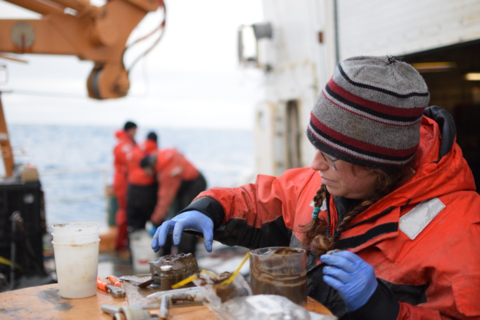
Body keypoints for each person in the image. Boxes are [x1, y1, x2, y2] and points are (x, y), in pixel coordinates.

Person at [151, 56, 480, 319]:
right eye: (316, 146)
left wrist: (383, 310)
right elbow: (261, 200)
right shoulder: (326, 181)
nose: (314, 165)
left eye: (330, 156)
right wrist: (210, 209)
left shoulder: (460, 229)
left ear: (377, 165)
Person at [141, 148, 207, 256]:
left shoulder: (167, 173)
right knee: (181, 216)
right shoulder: (161, 155)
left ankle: (186, 255)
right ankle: (184, 251)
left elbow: (164, 201)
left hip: (194, 184)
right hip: (189, 181)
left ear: (150, 167)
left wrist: (154, 220)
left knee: (186, 220)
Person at [126, 131, 159, 233]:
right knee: (149, 216)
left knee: (134, 220)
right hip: (146, 188)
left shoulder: (137, 147)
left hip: (132, 187)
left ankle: (133, 244)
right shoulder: (153, 148)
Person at [112, 121, 137, 253]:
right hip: (123, 180)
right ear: (131, 130)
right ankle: (120, 244)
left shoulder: (127, 143)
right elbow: (130, 161)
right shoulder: (124, 145)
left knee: (127, 210)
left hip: (125, 179)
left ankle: (123, 242)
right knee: (124, 211)